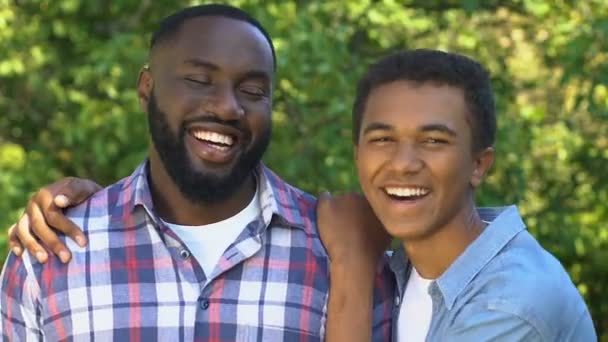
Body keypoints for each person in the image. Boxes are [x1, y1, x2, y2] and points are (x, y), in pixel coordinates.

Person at [0, 4, 394, 341]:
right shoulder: (49, 254)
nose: (227, 108)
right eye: (199, 80)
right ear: (146, 89)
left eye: (253, 91)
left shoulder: (345, 254)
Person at [318, 49, 597, 341]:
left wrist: (351, 262)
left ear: (478, 165)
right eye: (383, 139)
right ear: (358, 156)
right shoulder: (398, 273)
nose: (402, 163)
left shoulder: (510, 303)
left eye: (433, 141)